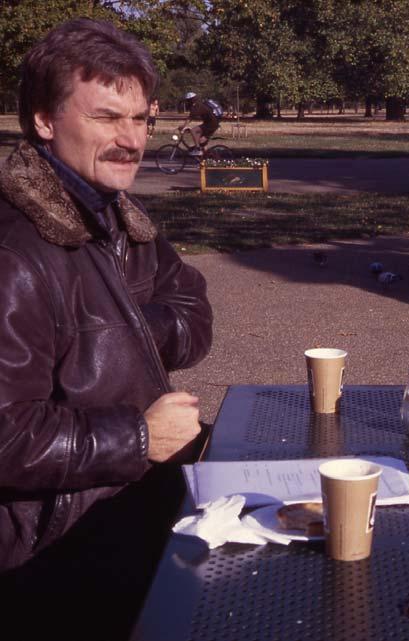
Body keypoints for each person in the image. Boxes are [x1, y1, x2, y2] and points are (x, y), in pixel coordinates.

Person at [0, 18, 213, 639]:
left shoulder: (116, 215)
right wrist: (136, 437)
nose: (132, 140)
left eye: (142, 119)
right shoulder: (16, 252)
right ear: (44, 120)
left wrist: (117, 327)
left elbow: (194, 310)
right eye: (106, 117)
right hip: (49, 549)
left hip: (122, 501)